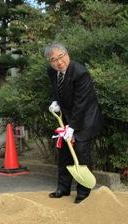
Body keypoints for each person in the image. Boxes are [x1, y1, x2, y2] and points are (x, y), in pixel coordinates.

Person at [45, 42, 102, 204]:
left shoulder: (80, 73)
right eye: (53, 59)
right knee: (64, 154)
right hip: (66, 118)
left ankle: (83, 191)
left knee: (81, 152)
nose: (58, 62)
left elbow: (82, 103)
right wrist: (54, 101)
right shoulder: (52, 71)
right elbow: (56, 90)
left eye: (61, 57)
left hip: (84, 119)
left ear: (67, 54)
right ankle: (63, 188)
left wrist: (73, 127)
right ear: (50, 62)